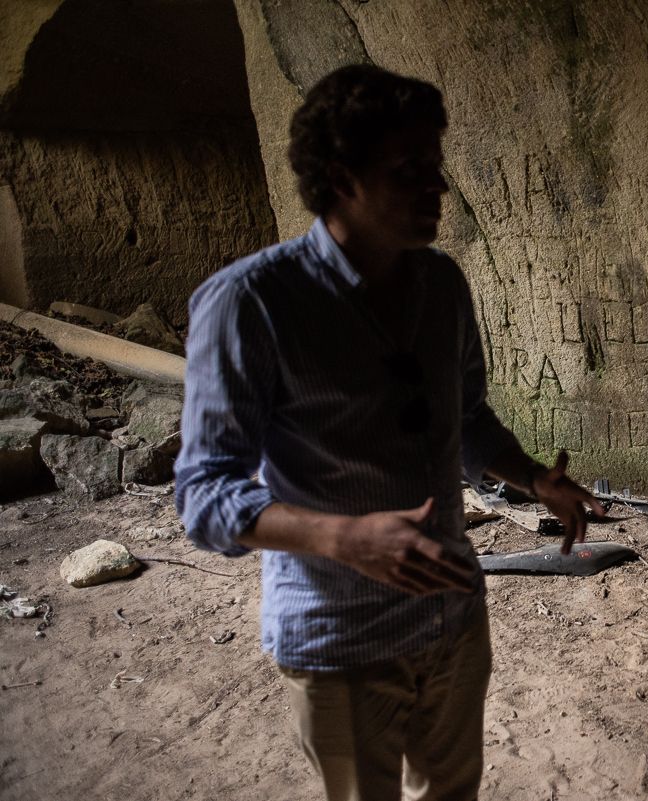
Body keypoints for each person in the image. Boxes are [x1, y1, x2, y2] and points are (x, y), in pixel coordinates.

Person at [175, 64, 603, 801]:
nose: (438, 186)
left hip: (454, 621)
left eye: (436, 165)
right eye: (410, 170)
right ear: (341, 178)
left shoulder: (441, 287)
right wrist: (342, 539)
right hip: (341, 639)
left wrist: (532, 476)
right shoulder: (252, 304)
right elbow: (203, 494)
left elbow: (466, 419)